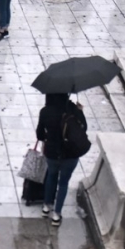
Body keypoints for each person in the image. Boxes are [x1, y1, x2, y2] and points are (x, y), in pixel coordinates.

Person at [35, 94, 87, 227]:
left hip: (51, 153)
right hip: (70, 154)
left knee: (51, 177)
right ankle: (57, 215)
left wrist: (50, 137)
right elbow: (84, 128)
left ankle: (46, 207)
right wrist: (80, 111)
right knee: (63, 182)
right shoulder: (73, 109)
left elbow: (40, 134)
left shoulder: (45, 111)